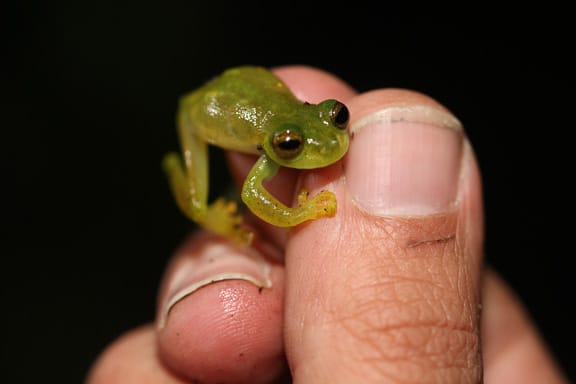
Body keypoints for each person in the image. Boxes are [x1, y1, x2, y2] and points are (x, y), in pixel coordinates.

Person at [86, 65, 567, 383]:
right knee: (198, 201)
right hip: (201, 111)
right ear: (276, 145)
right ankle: (186, 177)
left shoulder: (303, 125)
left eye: (338, 120)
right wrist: (298, 214)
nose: (332, 144)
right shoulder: (265, 145)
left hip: (264, 98)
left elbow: (297, 137)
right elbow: (254, 192)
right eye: (293, 146)